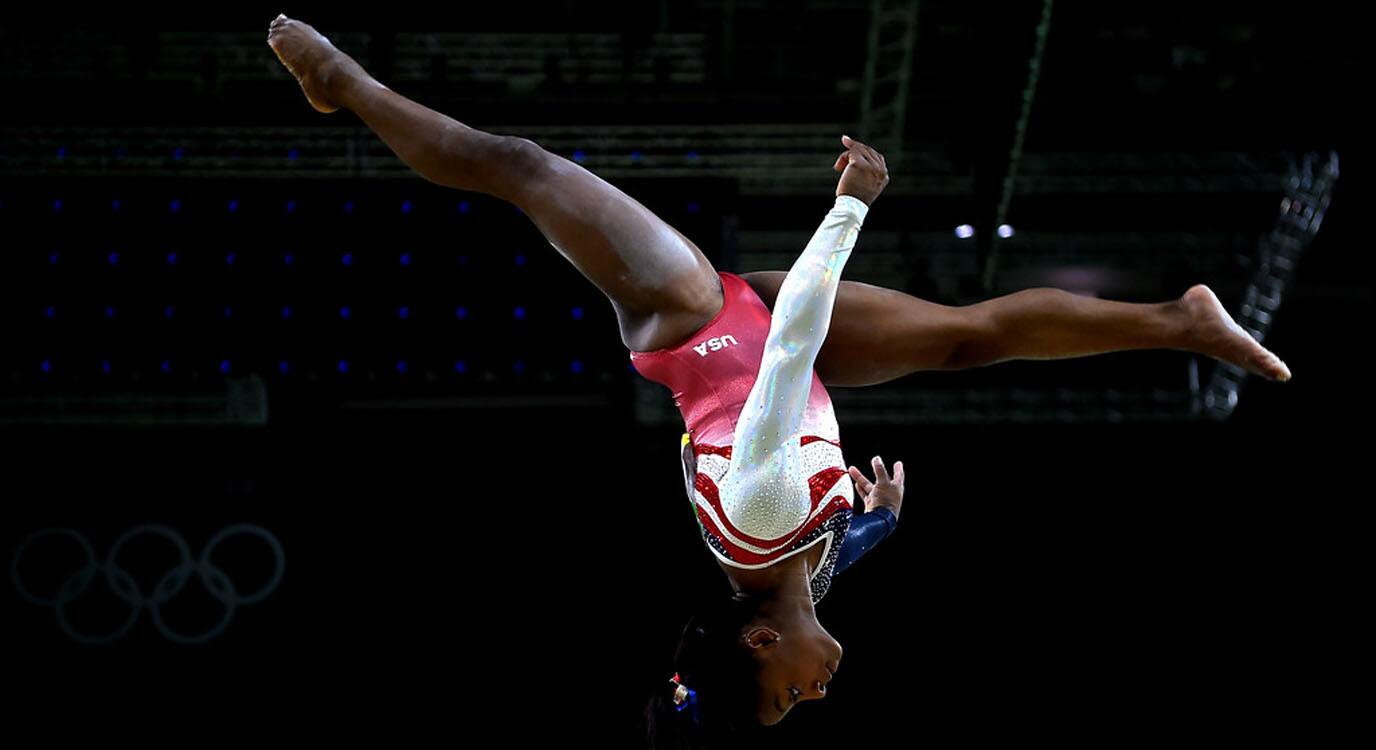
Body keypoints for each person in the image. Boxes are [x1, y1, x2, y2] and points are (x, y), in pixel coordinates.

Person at [265, 14, 1292, 745]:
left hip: (700, 322)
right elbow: (828, 550)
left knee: (524, 168)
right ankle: (1178, 321)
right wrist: (874, 522)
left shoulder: (762, 516)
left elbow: (793, 344)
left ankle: (341, 80)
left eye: (784, 695)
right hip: (773, 352)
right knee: (966, 339)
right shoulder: (797, 570)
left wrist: (850, 207)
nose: (815, 693)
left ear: (758, 639)